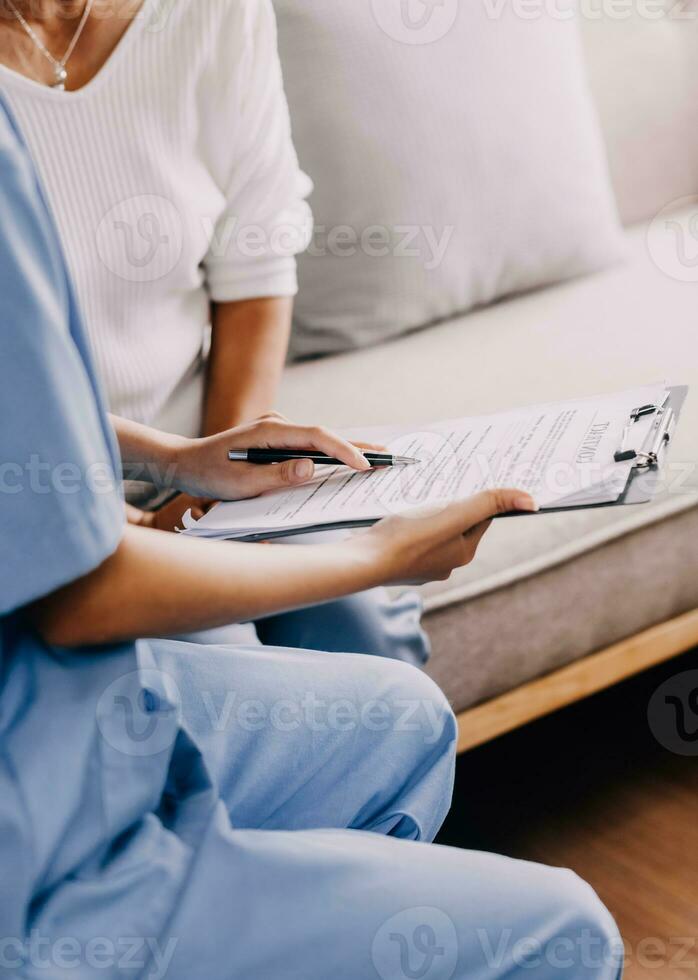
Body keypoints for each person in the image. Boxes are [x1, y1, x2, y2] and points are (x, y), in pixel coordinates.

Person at [0, 97, 624, 979]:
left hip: (51, 689)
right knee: (566, 929)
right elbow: (77, 591)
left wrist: (177, 459)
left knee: (401, 714)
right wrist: (371, 557)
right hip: (33, 815)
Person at [0, 0, 431, 667]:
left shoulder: (214, 11)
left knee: (361, 624)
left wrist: (210, 490)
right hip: (39, 489)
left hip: (202, 440)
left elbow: (255, 263)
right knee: (216, 651)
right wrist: (158, 490)